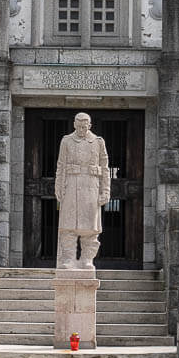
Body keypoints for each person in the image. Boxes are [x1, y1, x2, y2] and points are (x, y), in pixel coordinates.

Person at [54, 113, 110, 270]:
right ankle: (69, 259)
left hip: (92, 187)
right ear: (74, 125)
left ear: (90, 126)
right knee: (68, 225)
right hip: (71, 185)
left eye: (84, 127)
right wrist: (58, 186)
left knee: (90, 228)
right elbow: (61, 165)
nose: (81, 130)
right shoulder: (66, 141)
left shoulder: (98, 142)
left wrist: (105, 191)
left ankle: (87, 259)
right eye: (78, 127)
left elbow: (105, 169)